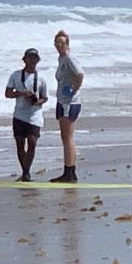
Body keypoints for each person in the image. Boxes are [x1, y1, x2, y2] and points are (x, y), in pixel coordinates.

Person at [5, 47, 49, 182]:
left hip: (35, 115)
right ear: (24, 60)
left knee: (32, 143)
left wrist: (37, 101)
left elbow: (45, 97)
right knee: (20, 144)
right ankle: (25, 172)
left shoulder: (41, 78)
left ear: (38, 60)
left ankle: (26, 172)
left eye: (35, 58)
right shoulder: (16, 75)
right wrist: (21, 93)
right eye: (30, 57)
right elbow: (7, 93)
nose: (32, 60)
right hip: (19, 114)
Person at [50, 30, 85, 183]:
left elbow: (80, 74)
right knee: (65, 137)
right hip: (62, 100)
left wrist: (73, 89)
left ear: (67, 44)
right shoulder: (61, 58)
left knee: (67, 137)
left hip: (69, 103)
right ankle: (69, 170)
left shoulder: (70, 58)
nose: (59, 46)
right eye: (57, 43)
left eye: (62, 43)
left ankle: (69, 173)